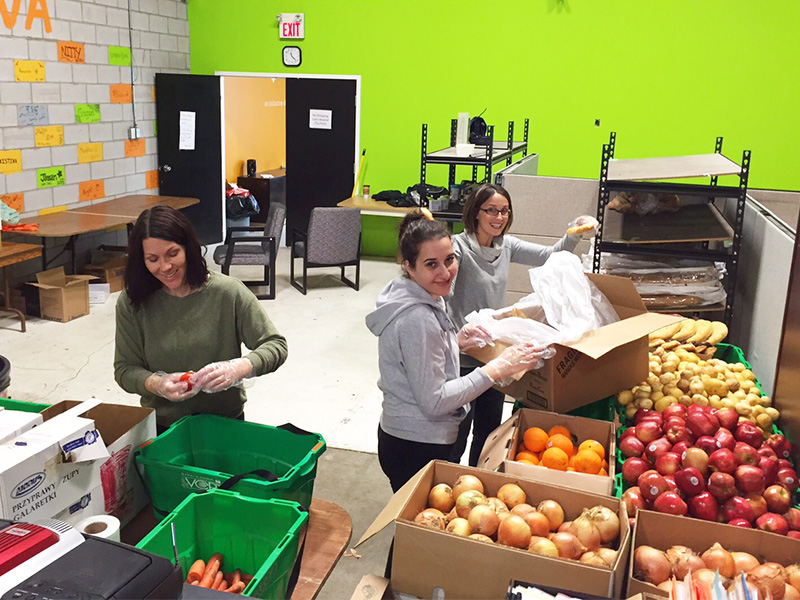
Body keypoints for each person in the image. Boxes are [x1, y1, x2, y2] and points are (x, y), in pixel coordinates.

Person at [365, 210, 543, 493]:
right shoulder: (417, 317)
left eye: (449, 260)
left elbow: (416, 358)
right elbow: (434, 400)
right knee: (419, 533)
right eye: (431, 264)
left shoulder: (417, 294)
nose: (445, 272)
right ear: (409, 267)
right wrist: (497, 368)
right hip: (416, 445)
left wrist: (454, 341)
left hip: (408, 436)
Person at [449, 182, 597, 466]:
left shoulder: (506, 246)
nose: (499, 218)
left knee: (489, 428)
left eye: (504, 211)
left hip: (494, 353)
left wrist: (573, 233)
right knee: (457, 430)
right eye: (491, 211)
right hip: (462, 355)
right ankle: (445, 477)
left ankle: (477, 476)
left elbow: (551, 256)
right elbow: (445, 295)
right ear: (475, 213)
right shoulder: (458, 248)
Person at [114, 205, 288, 433]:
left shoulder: (227, 292)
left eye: (173, 253)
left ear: (189, 248)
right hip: (164, 427)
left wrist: (240, 368)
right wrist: (156, 384)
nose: (165, 267)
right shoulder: (133, 301)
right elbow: (125, 369)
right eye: (152, 259)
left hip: (226, 423)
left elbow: (275, 345)